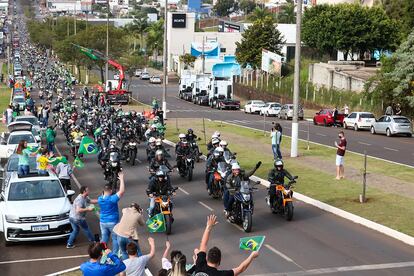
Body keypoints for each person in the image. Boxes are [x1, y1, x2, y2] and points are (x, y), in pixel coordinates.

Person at [192, 215, 259, 276]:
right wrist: (252, 256)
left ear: (207, 258)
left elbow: (203, 244)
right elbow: (240, 269)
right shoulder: (221, 275)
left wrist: (208, 227)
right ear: (219, 262)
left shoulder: (199, 264)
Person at [97, 171, 126, 255]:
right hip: (112, 222)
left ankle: (102, 252)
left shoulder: (100, 199)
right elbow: (122, 191)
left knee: (104, 238)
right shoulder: (112, 199)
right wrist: (121, 179)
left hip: (102, 222)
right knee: (115, 238)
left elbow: (103, 194)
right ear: (110, 190)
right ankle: (114, 254)